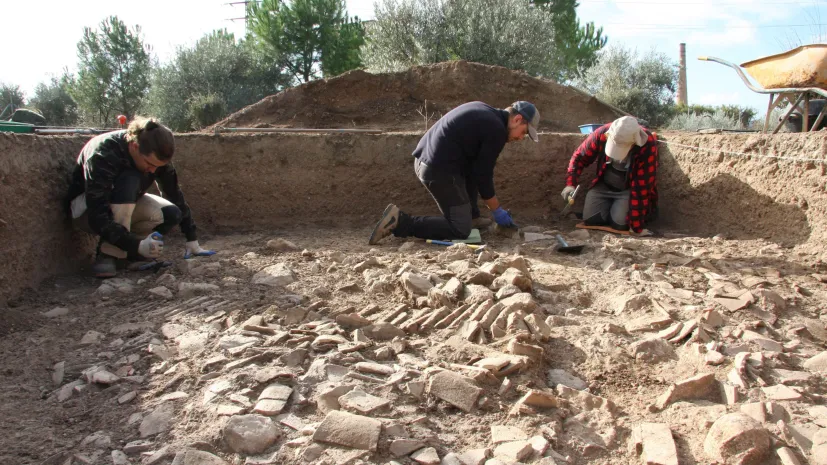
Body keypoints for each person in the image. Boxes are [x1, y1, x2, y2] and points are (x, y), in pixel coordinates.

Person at [368, 101, 540, 245]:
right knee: (460, 230)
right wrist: (497, 210)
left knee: (470, 175)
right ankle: (399, 222)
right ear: (517, 119)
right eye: (524, 132)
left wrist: (474, 213)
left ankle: (471, 217)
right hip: (438, 170)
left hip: (428, 162)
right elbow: (483, 176)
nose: (520, 138)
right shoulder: (496, 130)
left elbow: (474, 170)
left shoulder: (485, 112)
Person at [66, 117, 215, 278]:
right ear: (134, 146)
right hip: (87, 212)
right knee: (130, 179)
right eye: (149, 164)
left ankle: (131, 254)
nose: (152, 171)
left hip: (125, 204)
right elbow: (97, 215)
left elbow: (174, 195)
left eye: (157, 167)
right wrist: (136, 244)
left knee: (171, 214)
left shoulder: (155, 157)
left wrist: (191, 238)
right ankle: (109, 254)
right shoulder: (104, 154)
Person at [562, 116, 658, 235]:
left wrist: (636, 226)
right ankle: (612, 210)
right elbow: (579, 157)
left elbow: (642, 187)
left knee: (620, 225)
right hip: (603, 185)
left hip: (628, 190)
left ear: (634, 141)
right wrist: (570, 184)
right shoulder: (602, 133)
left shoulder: (647, 144)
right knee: (591, 220)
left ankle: (620, 213)